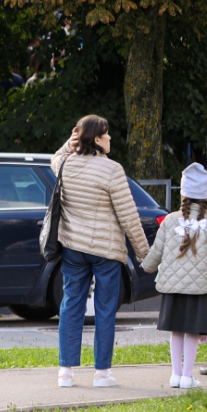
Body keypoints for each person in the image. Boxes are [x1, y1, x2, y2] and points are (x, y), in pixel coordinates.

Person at [48, 115, 151, 389]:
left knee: (71, 305)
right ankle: (102, 373)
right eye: (106, 134)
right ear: (97, 139)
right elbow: (129, 217)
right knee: (105, 310)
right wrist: (144, 255)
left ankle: (66, 372)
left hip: (73, 248)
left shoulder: (66, 164)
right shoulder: (112, 170)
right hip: (105, 251)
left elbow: (54, 160)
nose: (110, 139)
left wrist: (67, 144)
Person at [141, 163, 207, 389]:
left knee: (176, 330)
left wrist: (146, 266)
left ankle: (176, 375)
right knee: (191, 330)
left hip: (172, 286)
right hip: (199, 287)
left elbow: (156, 251)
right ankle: (188, 376)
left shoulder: (169, 220)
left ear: (183, 194)